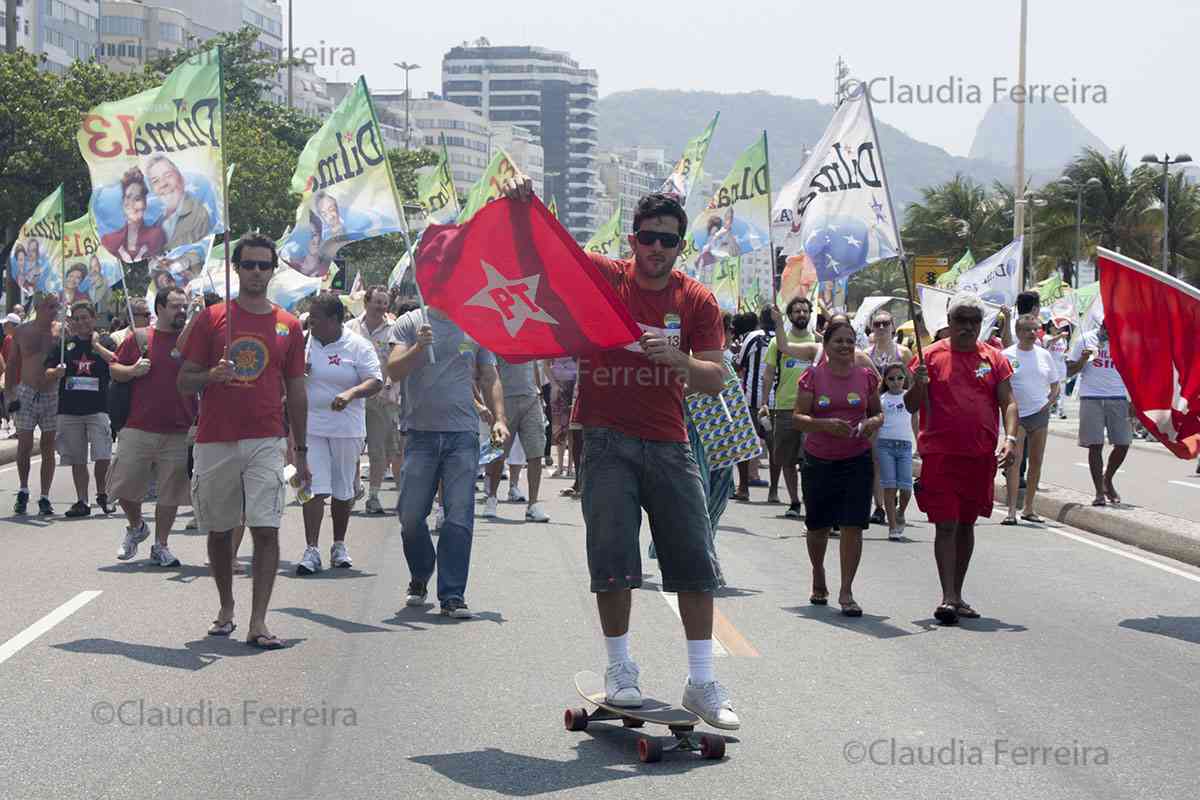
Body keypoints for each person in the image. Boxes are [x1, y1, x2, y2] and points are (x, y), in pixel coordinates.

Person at [506, 183, 739, 730]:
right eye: (649, 238)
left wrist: (678, 359)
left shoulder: (697, 300)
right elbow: (542, 252)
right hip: (608, 439)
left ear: (681, 246)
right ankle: (620, 670)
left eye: (669, 241)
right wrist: (523, 209)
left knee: (693, 562)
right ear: (633, 239)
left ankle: (701, 682)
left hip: (670, 441)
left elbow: (716, 377)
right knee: (613, 561)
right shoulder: (604, 277)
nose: (658, 248)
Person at [179, 233, 307, 649]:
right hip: (216, 438)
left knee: (266, 529)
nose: (255, 272)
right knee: (219, 531)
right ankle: (227, 606)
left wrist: (300, 450)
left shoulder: (289, 324)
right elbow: (184, 380)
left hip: (266, 439)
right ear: (236, 269)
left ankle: (258, 621)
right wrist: (209, 377)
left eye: (263, 265)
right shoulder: (212, 318)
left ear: (273, 270)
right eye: (248, 265)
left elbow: (297, 389)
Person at [386, 304, 506, 619]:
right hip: (420, 435)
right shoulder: (410, 322)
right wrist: (417, 349)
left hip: (462, 435)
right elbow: (394, 370)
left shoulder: (478, 322)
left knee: (459, 514)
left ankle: (452, 594)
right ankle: (421, 571)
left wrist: (499, 419)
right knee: (410, 516)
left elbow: (490, 374)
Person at [906, 293, 1017, 625]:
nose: (968, 327)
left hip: (980, 455)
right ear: (949, 322)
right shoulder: (928, 358)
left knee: (967, 524)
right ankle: (948, 597)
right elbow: (911, 405)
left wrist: (1010, 439)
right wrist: (919, 385)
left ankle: (958, 593)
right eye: (962, 321)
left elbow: (1008, 402)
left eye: (974, 321)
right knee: (946, 523)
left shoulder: (994, 359)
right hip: (940, 455)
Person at [793, 320, 883, 616]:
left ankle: (846, 591)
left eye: (849, 341)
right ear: (827, 345)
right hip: (819, 459)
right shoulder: (812, 376)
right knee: (817, 526)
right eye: (838, 341)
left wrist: (872, 423)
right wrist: (824, 425)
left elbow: (877, 413)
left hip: (856, 459)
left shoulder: (866, 377)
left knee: (852, 525)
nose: (845, 346)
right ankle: (818, 574)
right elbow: (798, 418)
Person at [109, 287, 197, 566]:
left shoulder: (192, 341)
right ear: (159, 308)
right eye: (175, 306)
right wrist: (132, 370)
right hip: (138, 426)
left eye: (184, 307)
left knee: (170, 493)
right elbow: (115, 370)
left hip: (179, 430)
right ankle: (137, 527)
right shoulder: (140, 337)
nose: (181, 311)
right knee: (122, 488)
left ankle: (161, 545)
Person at [296, 292, 382, 574]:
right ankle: (311, 549)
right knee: (312, 488)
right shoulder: (304, 344)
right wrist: (298, 371)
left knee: (343, 490)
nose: (312, 324)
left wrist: (351, 393)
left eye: (317, 319)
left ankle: (339, 544)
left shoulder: (357, 346)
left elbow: (375, 381)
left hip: (346, 429)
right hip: (311, 428)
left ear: (334, 320)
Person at [55, 301, 116, 517]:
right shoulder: (65, 345)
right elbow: (48, 370)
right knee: (77, 458)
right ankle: (82, 500)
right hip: (69, 410)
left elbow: (116, 361)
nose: (81, 322)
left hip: (98, 408)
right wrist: (55, 373)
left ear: (93, 318)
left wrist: (97, 346)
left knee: (103, 455)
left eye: (85, 317)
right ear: (72, 320)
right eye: (77, 318)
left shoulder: (107, 341)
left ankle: (103, 494)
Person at [5, 292, 64, 515]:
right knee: (25, 443)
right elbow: (12, 363)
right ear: (38, 307)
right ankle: (23, 488)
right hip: (26, 391)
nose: (54, 310)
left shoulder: (60, 331)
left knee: (49, 445)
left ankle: (45, 496)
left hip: (51, 392)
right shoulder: (22, 331)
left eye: (56, 306)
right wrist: (10, 393)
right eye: (50, 306)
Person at [346, 286, 402, 514]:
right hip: (354, 397)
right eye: (377, 302)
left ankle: (374, 496)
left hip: (382, 398)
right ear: (366, 302)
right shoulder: (350, 328)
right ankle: (350, 489)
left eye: (384, 303)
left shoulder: (394, 329)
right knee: (350, 447)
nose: (381, 307)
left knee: (379, 450)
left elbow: (396, 361)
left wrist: (387, 384)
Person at [759, 297, 816, 516]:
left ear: (810, 314)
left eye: (805, 311)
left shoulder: (818, 341)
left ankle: (811, 501)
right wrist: (764, 402)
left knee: (811, 460)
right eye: (797, 311)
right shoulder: (778, 343)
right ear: (789, 316)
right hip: (784, 408)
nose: (801, 314)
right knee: (787, 459)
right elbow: (768, 374)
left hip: (812, 410)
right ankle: (794, 502)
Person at [1001, 314, 1060, 525]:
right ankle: (1010, 511)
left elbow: (1055, 384)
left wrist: (1050, 401)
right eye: (1027, 329)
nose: (1032, 333)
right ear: (1018, 332)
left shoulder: (1044, 355)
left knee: (1036, 462)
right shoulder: (1007, 355)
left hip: (1039, 413)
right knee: (1014, 463)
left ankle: (1029, 507)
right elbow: (991, 377)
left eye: (1035, 329)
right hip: (1016, 415)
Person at [1066, 320, 1131, 506]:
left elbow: (1132, 372)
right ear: (1101, 324)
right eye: (1106, 327)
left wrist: (1132, 400)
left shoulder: (1125, 340)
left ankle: (1107, 479)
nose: (1108, 332)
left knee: (1123, 443)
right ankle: (1098, 493)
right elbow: (1069, 371)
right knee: (1095, 445)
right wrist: (1082, 360)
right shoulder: (1085, 340)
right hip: (1091, 397)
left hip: (1118, 397)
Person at [484, 356, 551, 522]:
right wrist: (492, 406)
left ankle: (533, 505)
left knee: (536, 452)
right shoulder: (497, 338)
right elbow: (490, 372)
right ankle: (491, 498)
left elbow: (535, 365)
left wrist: (540, 393)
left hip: (531, 398)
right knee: (498, 453)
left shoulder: (529, 337)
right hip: (505, 400)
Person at [864, 308, 913, 525]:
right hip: (876, 410)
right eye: (877, 324)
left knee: (899, 469)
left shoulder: (903, 353)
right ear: (872, 328)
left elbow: (910, 384)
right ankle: (880, 507)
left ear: (893, 326)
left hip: (899, 414)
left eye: (886, 323)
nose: (882, 327)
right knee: (876, 461)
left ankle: (896, 505)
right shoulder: (866, 354)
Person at [733, 308, 772, 499]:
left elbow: (738, 363)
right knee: (774, 447)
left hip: (752, 398)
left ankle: (743, 487)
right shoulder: (784, 338)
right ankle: (773, 493)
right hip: (775, 400)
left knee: (745, 441)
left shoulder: (754, 337)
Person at [146, 155, 212, 269]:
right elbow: (152, 261)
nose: (163, 184)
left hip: (198, 282)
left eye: (168, 175)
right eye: (156, 181)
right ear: (153, 189)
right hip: (166, 284)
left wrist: (184, 262)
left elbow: (205, 246)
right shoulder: (157, 224)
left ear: (180, 178)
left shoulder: (198, 213)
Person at [875, 363, 914, 540]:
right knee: (889, 487)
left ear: (905, 379)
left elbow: (916, 421)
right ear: (885, 380)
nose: (896, 382)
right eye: (891, 378)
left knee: (906, 489)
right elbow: (876, 422)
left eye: (900, 378)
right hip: (885, 445)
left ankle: (901, 512)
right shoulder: (881, 399)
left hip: (905, 446)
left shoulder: (909, 397)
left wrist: (919, 443)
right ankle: (892, 527)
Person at [102, 167, 167, 263]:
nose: (132, 204)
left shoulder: (157, 236)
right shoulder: (109, 240)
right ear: (123, 202)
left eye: (137, 199)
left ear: (145, 203)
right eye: (128, 197)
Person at [546, 356, 578, 477]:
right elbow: (545, 365)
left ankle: (571, 466)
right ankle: (560, 467)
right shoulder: (551, 340)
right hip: (557, 386)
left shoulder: (576, 342)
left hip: (574, 385)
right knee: (559, 427)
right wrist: (554, 384)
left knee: (573, 427)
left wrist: (577, 385)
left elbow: (580, 362)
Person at [1044, 319, 1071, 419]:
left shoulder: (1063, 340)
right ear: (1049, 327)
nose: (1056, 329)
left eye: (1057, 327)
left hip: (1061, 367)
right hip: (1050, 367)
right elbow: (1049, 343)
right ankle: (1049, 409)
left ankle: (1061, 410)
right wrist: (1060, 335)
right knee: (1050, 389)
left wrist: (1066, 355)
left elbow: (1065, 350)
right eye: (1053, 327)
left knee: (1062, 389)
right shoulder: (1046, 337)